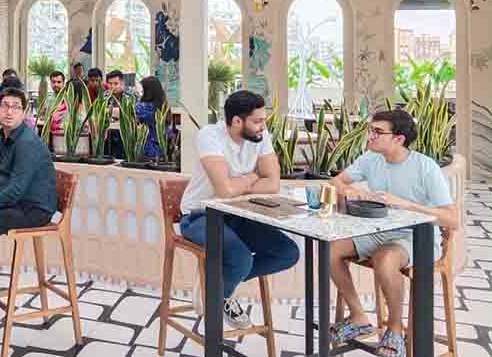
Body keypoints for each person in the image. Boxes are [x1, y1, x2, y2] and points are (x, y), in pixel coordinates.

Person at [328, 109, 457, 356]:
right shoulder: (371, 159)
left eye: (377, 132)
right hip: (379, 230)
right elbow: (337, 182)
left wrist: (405, 204)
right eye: (371, 129)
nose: (370, 136)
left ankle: (396, 330)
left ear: (398, 139)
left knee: (385, 260)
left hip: (416, 236)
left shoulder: (425, 167)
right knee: (331, 248)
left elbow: (453, 219)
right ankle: (358, 316)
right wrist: (354, 191)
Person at [178, 90, 299, 330]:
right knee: (240, 258)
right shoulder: (210, 136)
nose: (263, 126)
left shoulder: (260, 136)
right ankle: (221, 293)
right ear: (236, 122)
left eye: (264, 120)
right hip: (200, 216)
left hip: (239, 215)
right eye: (257, 121)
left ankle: (216, 286)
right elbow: (224, 190)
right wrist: (254, 176)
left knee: (287, 253)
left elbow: (273, 184)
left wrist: (238, 184)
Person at [0, 87, 57, 235]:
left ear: (23, 113)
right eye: (5, 106)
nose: (9, 112)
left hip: (33, 208)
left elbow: (16, 190)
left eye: (16, 107)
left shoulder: (26, 143)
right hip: (14, 203)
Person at [135, 76, 168, 158]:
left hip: (147, 149)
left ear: (148, 91)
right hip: (161, 149)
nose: (142, 91)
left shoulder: (145, 107)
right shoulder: (163, 106)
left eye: (143, 90)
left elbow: (130, 112)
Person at [105, 70, 129, 158]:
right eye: (110, 84)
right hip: (108, 135)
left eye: (116, 83)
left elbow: (132, 114)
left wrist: (110, 111)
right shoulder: (105, 95)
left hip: (126, 135)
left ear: (122, 83)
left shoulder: (131, 95)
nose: (112, 86)